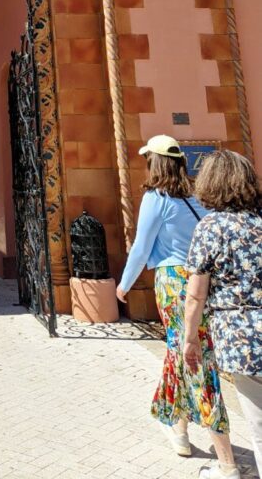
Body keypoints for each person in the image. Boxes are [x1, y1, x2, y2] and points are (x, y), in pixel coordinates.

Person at [116, 135, 231, 462]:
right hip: (202, 280)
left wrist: (124, 284)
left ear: (154, 162)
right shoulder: (197, 197)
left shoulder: (157, 197)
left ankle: (203, 437)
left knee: (186, 351)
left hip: (173, 282)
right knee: (184, 347)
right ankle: (178, 429)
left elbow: (141, 246)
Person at [185, 149, 262, 479]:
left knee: (258, 419)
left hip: (241, 335)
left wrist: (189, 340)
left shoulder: (210, 227)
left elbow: (195, 294)